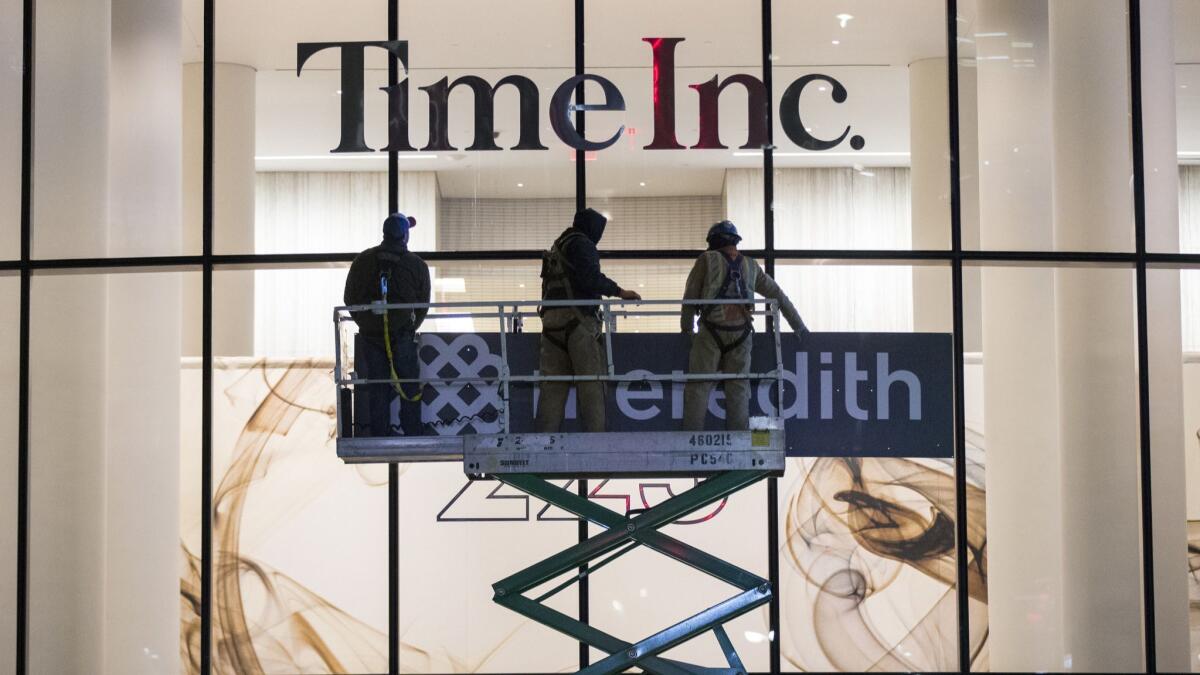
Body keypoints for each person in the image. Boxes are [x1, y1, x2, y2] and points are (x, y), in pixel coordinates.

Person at [681, 220, 808, 431]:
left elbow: (690, 297)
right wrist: (799, 326)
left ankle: (690, 444)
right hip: (741, 335)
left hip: (710, 333)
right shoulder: (750, 265)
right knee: (738, 391)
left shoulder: (706, 260)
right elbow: (777, 296)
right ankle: (738, 448)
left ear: (713, 241)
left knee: (699, 388)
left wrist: (686, 330)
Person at [535, 208, 641, 432]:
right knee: (592, 384)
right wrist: (620, 291)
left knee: (552, 388)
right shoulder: (583, 245)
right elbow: (590, 279)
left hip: (551, 323)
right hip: (579, 322)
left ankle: (543, 445)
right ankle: (596, 444)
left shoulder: (558, 246)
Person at [344, 212, 431, 437]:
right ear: (404, 236)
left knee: (378, 385)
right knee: (409, 383)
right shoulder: (416, 264)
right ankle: (411, 430)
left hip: (371, 337)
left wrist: (366, 324)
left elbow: (350, 298)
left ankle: (379, 432)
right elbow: (423, 304)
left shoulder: (362, 261)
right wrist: (410, 326)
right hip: (402, 335)